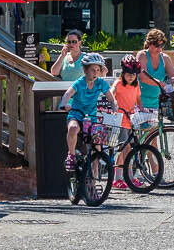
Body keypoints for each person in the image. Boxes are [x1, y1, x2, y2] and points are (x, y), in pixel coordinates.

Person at [61, 52, 112, 171]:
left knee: (98, 147)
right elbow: (68, 94)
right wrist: (64, 104)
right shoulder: (79, 82)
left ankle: (94, 180)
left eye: (98, 70)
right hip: (77, 114)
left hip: (92, 117)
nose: (95, 73)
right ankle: (71, 155)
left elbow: (111, 98)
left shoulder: (100, 83)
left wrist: (115, 106)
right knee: (73, 128)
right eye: (92, 70)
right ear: (85, 70)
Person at [111, 56, 147, 188]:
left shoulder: (136, 85)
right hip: (120, 120)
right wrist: (113, 102)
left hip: (130, 120)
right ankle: (127, 178)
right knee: (125, 149)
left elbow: (138, 99)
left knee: (125, 150)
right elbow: (112, 91)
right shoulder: (119, 83)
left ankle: (121, 178)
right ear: (123, 73)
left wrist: (142, 110)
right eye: (128, 74)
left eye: (133, 74)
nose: (131, 77)